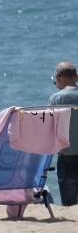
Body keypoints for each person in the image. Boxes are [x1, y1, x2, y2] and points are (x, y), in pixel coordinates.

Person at [48, 62, 78, 206]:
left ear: (60, 77)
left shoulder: (56, 99)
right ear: (76, 77)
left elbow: (50, 128)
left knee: (69, 205)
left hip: (67, 157)